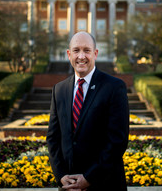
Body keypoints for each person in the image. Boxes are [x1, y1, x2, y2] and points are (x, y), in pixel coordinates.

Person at [47, 31, 130, 191]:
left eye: (87, 50)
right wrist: (61, 175)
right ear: (69, 54)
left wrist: (88, 178)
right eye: (76, 50)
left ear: (95, 53)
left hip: (105, 184)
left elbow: (117, 141)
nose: (81, 56)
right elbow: (53, 138)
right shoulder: (59, 89)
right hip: (68, 186)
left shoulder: (114, 87)